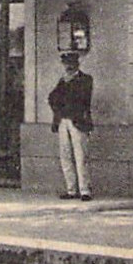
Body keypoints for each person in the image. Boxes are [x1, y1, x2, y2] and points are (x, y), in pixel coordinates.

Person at [49, 51, 94, 201]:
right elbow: (52, 98)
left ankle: (85, 190)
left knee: (81, 156)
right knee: (65, 155)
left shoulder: (85, 80)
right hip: (63, 121)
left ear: (77, 64)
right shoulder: (62, 81)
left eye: (71, 63)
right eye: (66, 63)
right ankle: (71, 189)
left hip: (78, 121)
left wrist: (66, 89)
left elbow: (80, 98)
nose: (68, 66)